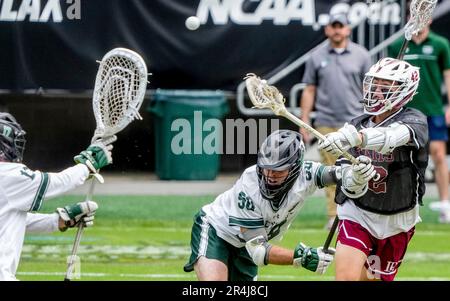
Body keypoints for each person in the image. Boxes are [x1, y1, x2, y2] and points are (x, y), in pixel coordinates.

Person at [183, 129, 375, 281]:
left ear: (295, 168)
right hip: (218, 231)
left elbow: (338, 174)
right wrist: (303, 256)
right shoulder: (249, 186)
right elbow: (259, 251)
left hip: (245, 245)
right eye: (266, 168)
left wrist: (357, 174)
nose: (270, 175)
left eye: (278, 170)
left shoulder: (306, 173)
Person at [318, 57, 428, 281]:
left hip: (398, 218)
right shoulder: (356, 123)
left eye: (384, 88)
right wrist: (355, 180)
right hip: (359, 214)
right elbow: (345, 180)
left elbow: (392, 136)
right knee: (346, 278)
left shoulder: (415, 120)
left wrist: (356, 138)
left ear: (404, 92)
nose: (376, 92)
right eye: (374, 85)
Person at [0, 112, 114, 281]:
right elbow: (56, 183)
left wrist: (59, 220)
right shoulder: (8, 174)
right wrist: (87, 166)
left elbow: (11, 221)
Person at [300, 13, 372, 229]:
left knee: (358, 169)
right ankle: (334, 216)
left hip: (354, 124)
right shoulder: (316, 56)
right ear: (327, 30)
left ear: (348, 29)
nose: (337, 30)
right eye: (334, 26)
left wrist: (371, 119)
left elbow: (368, 90)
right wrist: (304, 120)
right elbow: (309, 89)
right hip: (326, 122)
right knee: (332, 172)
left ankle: (359, 215)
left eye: (341, 26)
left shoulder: (362, 55)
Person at [388, 23, 450, 223]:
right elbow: (390, 79)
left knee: (439, 156)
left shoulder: (441, 44)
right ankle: (398, 204)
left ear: (431, 19)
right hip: (405, 113)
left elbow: (448, 76)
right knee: (402, 159)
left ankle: (445, 205)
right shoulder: (398, 44)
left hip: (433, 110)